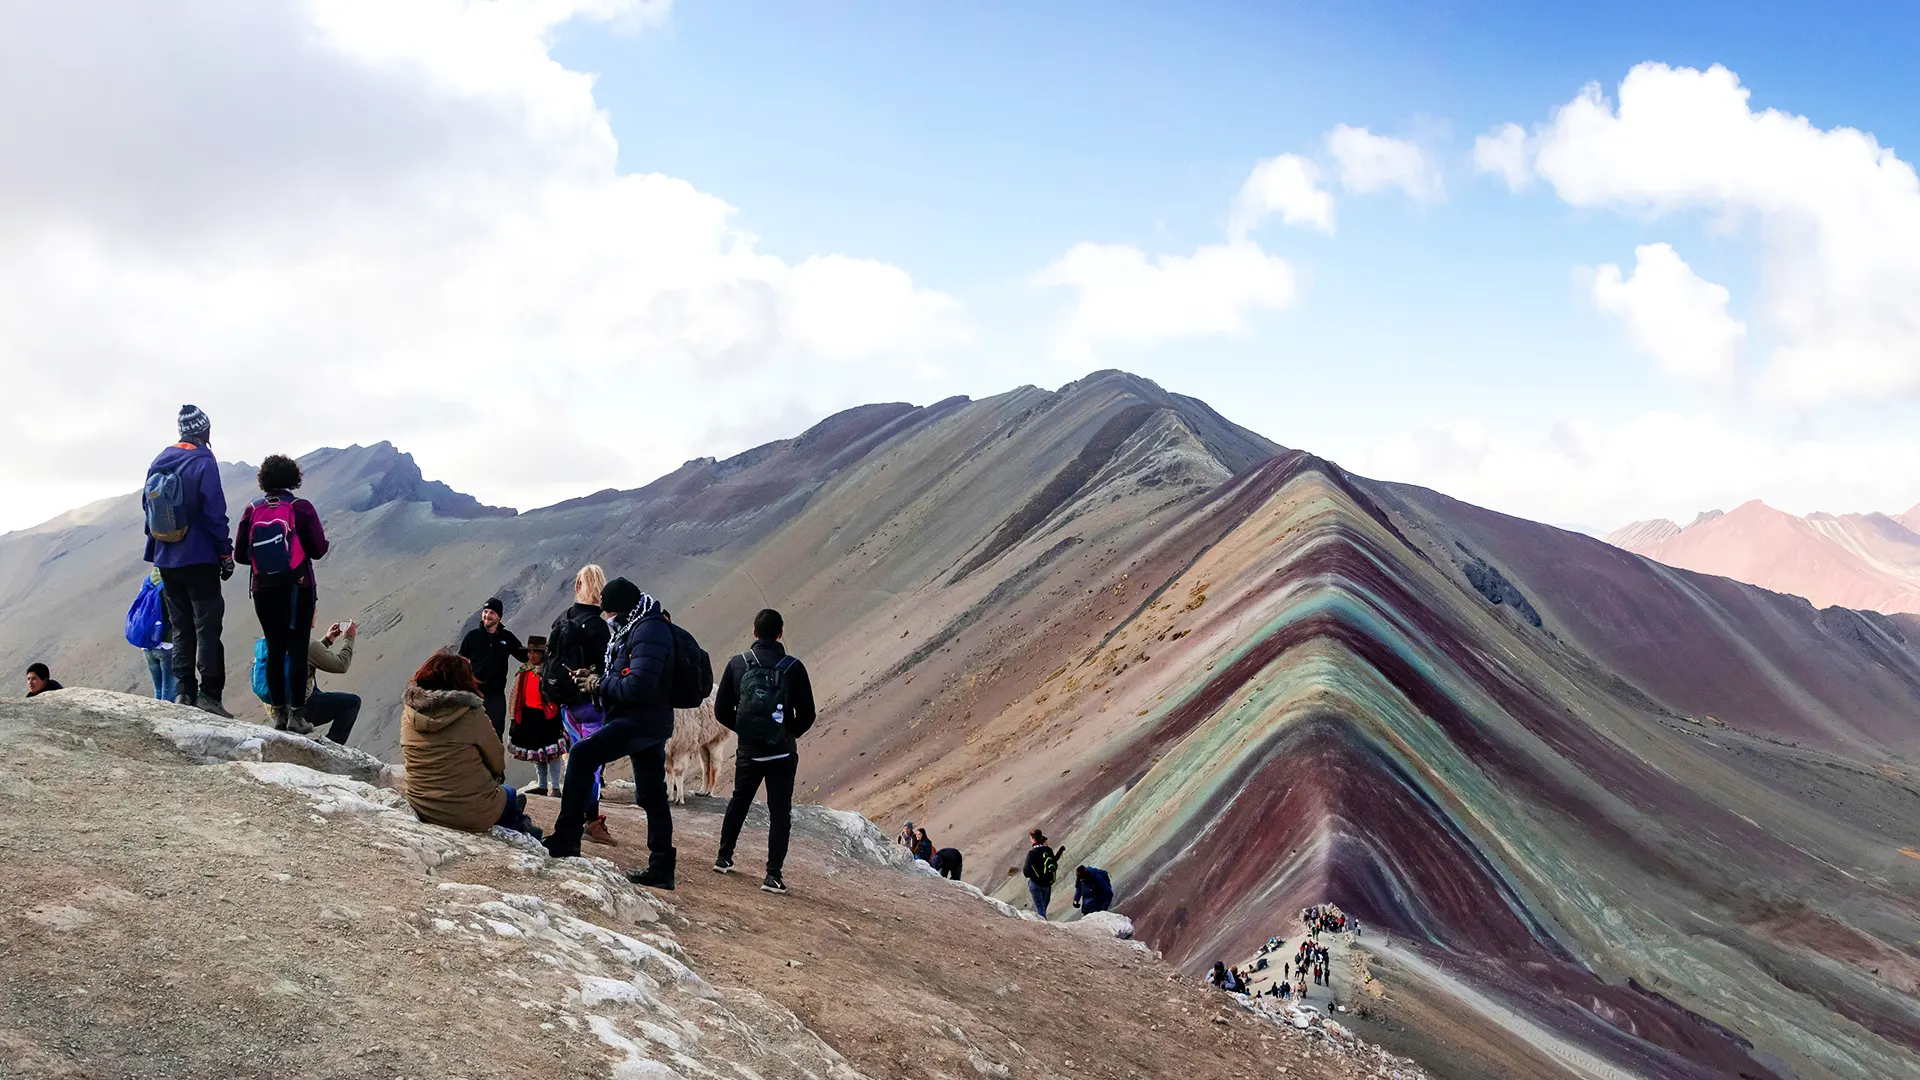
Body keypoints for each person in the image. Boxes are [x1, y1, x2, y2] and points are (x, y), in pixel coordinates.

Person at [543, 578, 676, 887]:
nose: (607, 618)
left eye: (610, 612)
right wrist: (595, 676)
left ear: (623, 609)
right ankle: (661, 867)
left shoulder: (649, 632)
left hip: (641, 720)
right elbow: (625, 674)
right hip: (646, 720)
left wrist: (599, 685)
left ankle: (566, 839)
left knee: (582, 754)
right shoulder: (636, 627)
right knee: (651, 793)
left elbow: (638, 684)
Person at [712, 608, 817, 895]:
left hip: (749, 752)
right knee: (780, 811)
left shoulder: (737, 664)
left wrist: (745, 732)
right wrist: (787, 733)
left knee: (740, 801)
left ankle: (724, 857)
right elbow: (808, 713)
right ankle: (772, 875)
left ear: (754, 633)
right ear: (781, 633)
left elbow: (721, 710)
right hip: (782, 754)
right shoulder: (793, 667)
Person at [143, 404, 235, 717]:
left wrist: (156, 550)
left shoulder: (160, 460)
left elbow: (149, 509)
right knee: (207, 626)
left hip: (166, 559)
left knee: (181, 627)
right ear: (204, 432)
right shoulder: (203, 461)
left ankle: (184, 692)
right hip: (200, 558)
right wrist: (225, 553)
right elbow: (214, 512)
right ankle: (210, 695)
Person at [235, 454, 330, 734]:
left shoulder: (252, 510)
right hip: (298, 588)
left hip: (263, 590)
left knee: (274, 648)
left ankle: (278, 714)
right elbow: (318, 549)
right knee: (298, 649)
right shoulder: (301, 508)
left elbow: (241, 554)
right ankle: (298, 716)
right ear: (293, 478)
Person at [398, 651, 538, 837]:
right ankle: (525, 830)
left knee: (508, 798)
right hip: (469, 814)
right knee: (510, 794)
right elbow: (498, 762)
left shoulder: (409, 715)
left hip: (423, 806)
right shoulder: (472, 714)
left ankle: (517, 821)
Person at [543, 566, 617, 845]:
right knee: (592, 764)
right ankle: (591, 820)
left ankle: (573, 817)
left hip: (566, 704)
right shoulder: (599, 626)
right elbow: (607, 668)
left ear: (577, 587)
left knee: (576, 757)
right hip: (591, 704)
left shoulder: (561, 619)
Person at [508, 636, 567, 795]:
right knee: (536, 753)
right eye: (530, 652)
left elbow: (558, 692)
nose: (531, 655)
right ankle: (542, 785)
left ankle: (555, 787)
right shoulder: (523, 672)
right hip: (528, 716)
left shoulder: (550, 671)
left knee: (552, 753)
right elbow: (515, 695)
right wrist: (514, 717)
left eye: (536, 652)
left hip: (548, 716)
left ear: (543, 654)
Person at [459, 597, 526, 737]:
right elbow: (460, 663)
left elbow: (524, 656)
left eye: (492, 613)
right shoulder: (472, 637)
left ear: (499, 617)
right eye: (485, 611)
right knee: (473, 735)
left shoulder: (506, 637)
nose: (487, 615)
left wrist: (541, 651)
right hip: (474, 694)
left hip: (496, 695)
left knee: (496, 734)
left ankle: (496, 759)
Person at [304, 621, 361, 745]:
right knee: (352, 703)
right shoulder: (305, 643)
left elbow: (308, 654)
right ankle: (331, 747)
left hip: (277, 707)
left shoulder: (274, 637)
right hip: (300, 708)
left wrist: (327, 640)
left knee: (315, 691)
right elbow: (341, 665)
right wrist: (349, 638)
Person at [129, 567, 176, 702]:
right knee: (170, 688)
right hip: (166, 643)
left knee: (158, 688)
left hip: (148, 644)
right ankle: (166, 719)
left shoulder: (148, 581)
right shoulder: (170, 582)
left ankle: (157, 715)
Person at [1022, 829, 1062, 919]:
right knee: (1043, 906)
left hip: (1036, 884)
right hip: (1047, 883)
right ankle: (1043, 921)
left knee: (1040, 907)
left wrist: (1035, 878)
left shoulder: (1032, 853)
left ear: (1033, 839)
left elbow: (1026, 871)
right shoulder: (1048, 850)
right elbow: (1054, 863)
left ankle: (1043, 925)